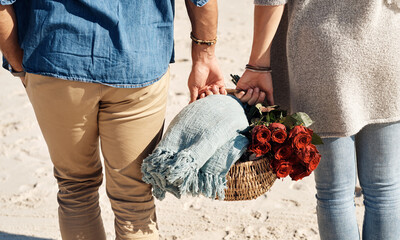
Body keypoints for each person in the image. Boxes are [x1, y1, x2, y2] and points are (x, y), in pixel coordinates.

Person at [0, 0, 226, 239]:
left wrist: (19, 65)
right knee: (135, 198)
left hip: (56, 55)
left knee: (75, 189)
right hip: (139, 59)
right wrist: (204, 54)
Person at [236, 1, 400, 240]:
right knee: (385, 190)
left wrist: (257, 66)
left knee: (335, 193)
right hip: (387, 45)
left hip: (322, 55)